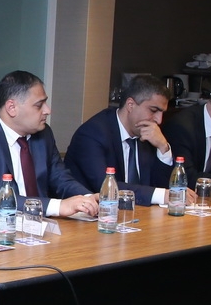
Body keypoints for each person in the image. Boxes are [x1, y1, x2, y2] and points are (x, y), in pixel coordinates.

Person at [0, 70, 98, 218]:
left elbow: (60, 178)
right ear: (12, 108)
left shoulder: (44, 134)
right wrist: (58, 206)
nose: (47, 110)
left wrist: (88, 199)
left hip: (40, 226)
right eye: (39, 105)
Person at [65, 75, 181, 207]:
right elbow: (105, 187)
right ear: (130, 105)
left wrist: (163, 147)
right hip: (93, 214)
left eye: (162, 113)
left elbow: (161, 187)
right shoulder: (92, 133)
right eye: (153, 111)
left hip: (138, 213)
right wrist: (161, 195)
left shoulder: (148, 134)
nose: (159, 120)